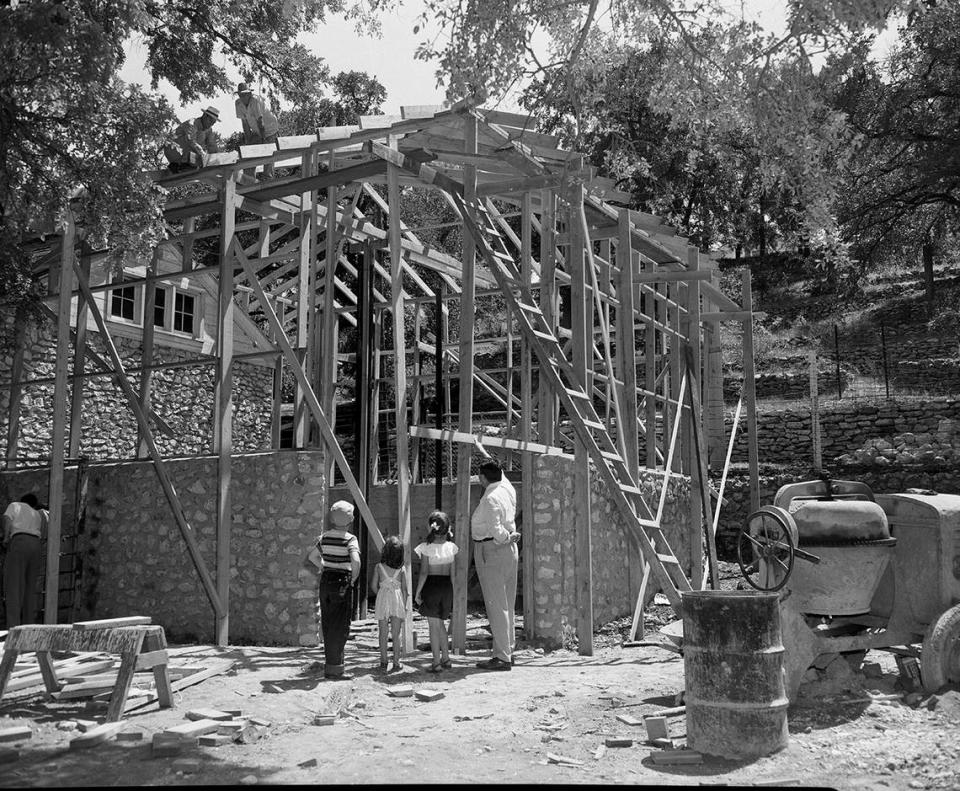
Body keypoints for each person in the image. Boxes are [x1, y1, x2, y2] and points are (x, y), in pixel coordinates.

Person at [471, 460, 520, 671]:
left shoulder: (490, 498)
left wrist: (508, 537)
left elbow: (498, 531)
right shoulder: (507, 488)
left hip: (492, 549)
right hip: (508, 553)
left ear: (483, 478)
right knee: (507, 603)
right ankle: (508, 650)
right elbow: (500, 474)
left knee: (496, 605)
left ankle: (502, 657)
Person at [307, 500, 360, 681]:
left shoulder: (324, 537)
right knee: (340, 625)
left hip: (326, 581)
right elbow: (356, 561)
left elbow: (312, 556)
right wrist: (353, 576)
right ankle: (335, 670)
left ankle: (333, 666)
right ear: (350, 519)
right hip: (341, 581)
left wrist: (323, 567)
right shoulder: (350, 539)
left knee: (329, 623)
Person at [414, 511, 458, 673]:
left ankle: (436, 662)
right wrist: (454, 595)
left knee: (433, 626)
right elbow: (454, 575)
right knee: (440, 624)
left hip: (431, 587)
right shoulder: (452, 548)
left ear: (429, 527)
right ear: (448, 528)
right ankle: (446, 658)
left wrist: (417, 593)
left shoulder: (425, 548)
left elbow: (424, 573)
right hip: (447, 587)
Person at [2, 493, 48, 628]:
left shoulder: (15, 505)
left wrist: (6, 537)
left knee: (14, 587)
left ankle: (14, 628)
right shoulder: (38, 514)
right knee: (30, 588)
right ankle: (29, 627)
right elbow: (43, 533)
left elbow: (7, 519)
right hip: (36, 545)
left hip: (19, 542)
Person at [371, 535, 406, 673]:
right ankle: (396, 661)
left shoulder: (379, 567)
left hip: (383, 599)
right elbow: (405, 590)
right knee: (396, 633)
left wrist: (380, 594)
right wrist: (404, 605)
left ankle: (383, 660)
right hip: (397, 600)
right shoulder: (402, 570)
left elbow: (373, 586)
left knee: (382, 632)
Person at [235, 82, 279, 177]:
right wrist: (248, 143)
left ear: (249, 94)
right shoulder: (238, 104)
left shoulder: (255, 100)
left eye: (245, 94)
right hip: (257, 131)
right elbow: (245, 125)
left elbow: (260, 122)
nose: (243, 97)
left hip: (270, 129)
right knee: (249, 154)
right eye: (241, 95)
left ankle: (268, 180)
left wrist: (263, 140)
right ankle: (249, 181)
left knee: (268, 154)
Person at [163, 106, 220, 172]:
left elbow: (212, 146)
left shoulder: (209, 130)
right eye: (210, 120)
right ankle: (180, 165)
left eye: (213, 123)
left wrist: (218, 159)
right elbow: (191, 141)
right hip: (173, 151)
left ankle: (185, 165)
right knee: (194, 142)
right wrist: (203, 155)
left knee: (203, 145)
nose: (211, 124)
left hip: (187, 156)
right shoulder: (192, 123)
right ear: (204, 115)